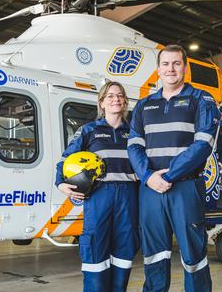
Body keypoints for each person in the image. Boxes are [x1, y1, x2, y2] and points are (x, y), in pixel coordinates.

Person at [128, 45, 219, 292]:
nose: (171, 69)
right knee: (154, 255)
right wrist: (147, 177)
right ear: (158, 70)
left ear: (185, 68)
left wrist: (167, 176)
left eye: (176, 63)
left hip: (185, 187)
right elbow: (134, 147)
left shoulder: (201, 99)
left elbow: (202, 145)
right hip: (150, 190)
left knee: (193, 255)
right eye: (166, 64)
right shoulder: (143, 105)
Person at [55, 81, 139, 292]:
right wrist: (60, 183)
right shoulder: (88, 130)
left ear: (125, 101)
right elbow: (66, 160)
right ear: (101, 102)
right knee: (95, 247)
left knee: (125, 248)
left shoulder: (135, 132)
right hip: (99, 194)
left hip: (129, 195)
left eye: (120, 96)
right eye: (110, 96)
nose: (116, 99)